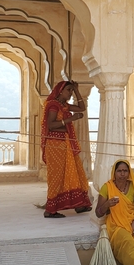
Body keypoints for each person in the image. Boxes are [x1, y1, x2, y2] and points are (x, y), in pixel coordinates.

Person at [41, 80, 92, 218]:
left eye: (71, 91)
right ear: (60, 91)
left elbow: (82, 107)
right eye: (68, 90)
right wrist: (71, 119)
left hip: (64, 143)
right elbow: (51, 125)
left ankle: (79, 205)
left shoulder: (63, 105)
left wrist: (76, 90)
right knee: (57, 175)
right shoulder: (53, 105)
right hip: (54, 144)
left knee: (73, 172)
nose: (70, 93)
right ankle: (50, 210)